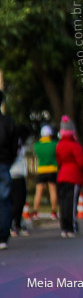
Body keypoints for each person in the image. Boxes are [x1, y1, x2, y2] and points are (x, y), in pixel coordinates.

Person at [55, 116, 83, 238]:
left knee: (63, 203)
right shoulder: (75, 145)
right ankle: (71, 227)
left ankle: (63, 227)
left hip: (62, 176)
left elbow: (59, 160)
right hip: (73, 177)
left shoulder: (59, 145)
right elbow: (82, 163)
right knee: (72, 203)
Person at [32, 124, 58, 220]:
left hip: (41, 170)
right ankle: (54, 212)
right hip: (52, 169)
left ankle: (35, 212)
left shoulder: (37, 146)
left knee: (38, 191)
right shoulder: (54, 144)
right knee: (53, 191)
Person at [0, 91, 15, 249]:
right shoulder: (8, 122)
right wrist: (9, 160)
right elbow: (14, 145)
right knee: (4, 200)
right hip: (4, 163)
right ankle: (3, 236)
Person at [10, 124, 29, 237]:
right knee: (18, 201)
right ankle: (14, 223)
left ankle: (17, 222)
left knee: (19, 201)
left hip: (18, 173)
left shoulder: (16, 140)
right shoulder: (16, 141)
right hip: (15, 173)